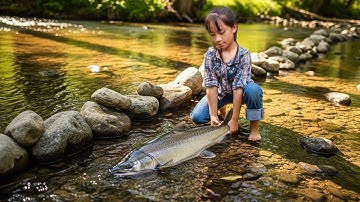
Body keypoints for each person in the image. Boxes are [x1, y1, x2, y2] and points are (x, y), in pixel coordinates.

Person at [190, 6, 264, 141]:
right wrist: (213, 115)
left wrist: (235, 119)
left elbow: (238, 87)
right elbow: (211, 86)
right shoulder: (210, 55)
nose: (217, 39)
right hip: (221, 93)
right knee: (198, 117)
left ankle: (254, 128)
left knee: (254, 90)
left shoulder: (243, 55)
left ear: (234, 27)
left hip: (242, 92)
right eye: (212, 34)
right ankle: (221, 109)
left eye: (221, 32)